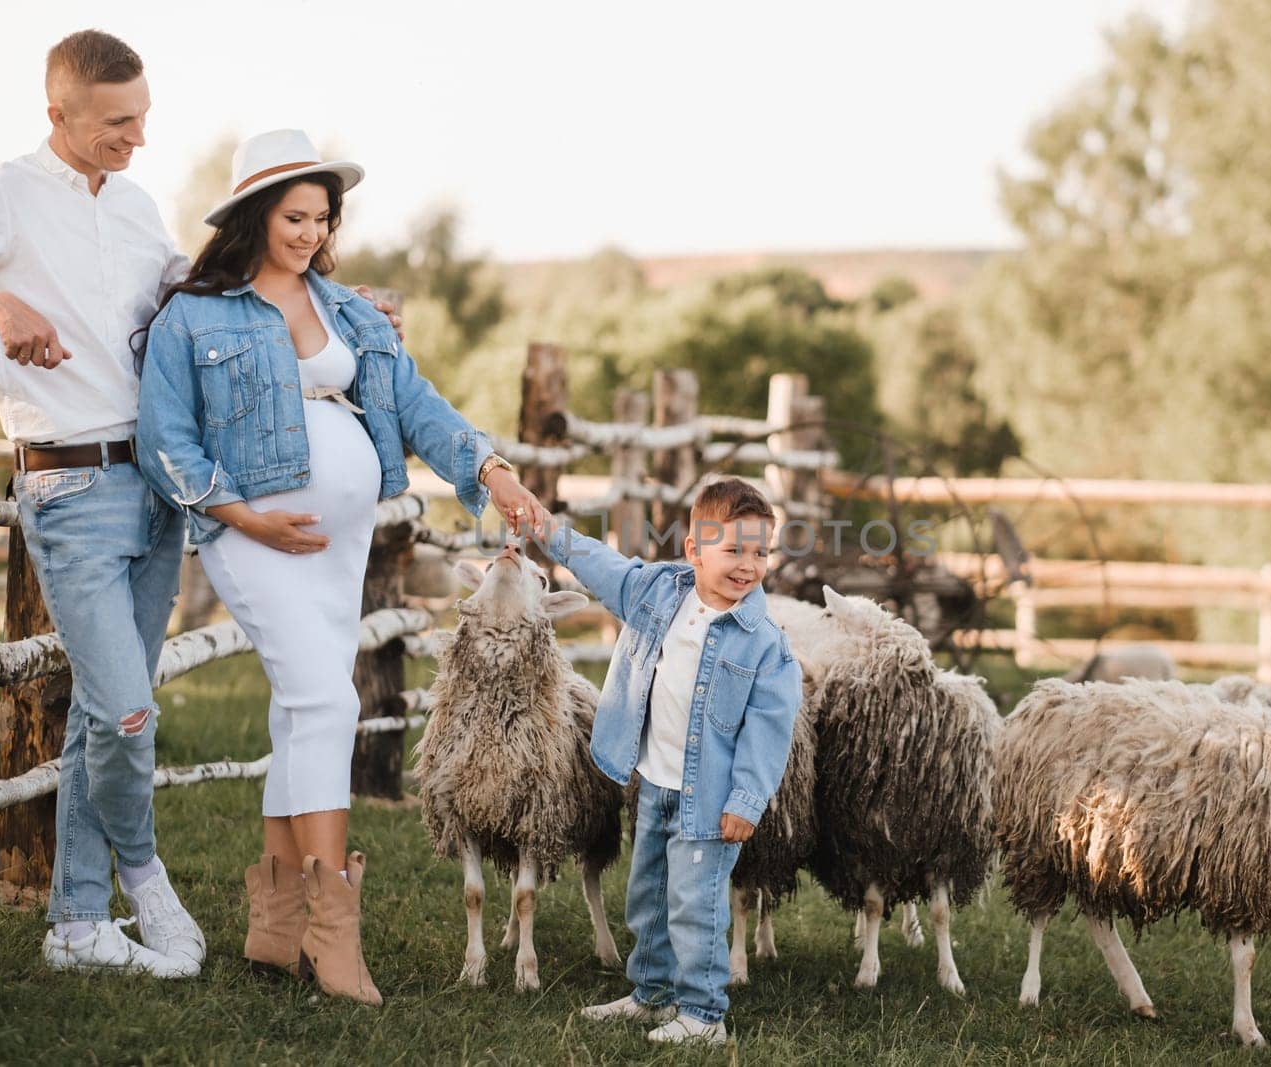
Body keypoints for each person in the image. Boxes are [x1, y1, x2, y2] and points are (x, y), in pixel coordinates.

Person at [134, 128, 549, 1006]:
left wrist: (490, 469)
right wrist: (240, 512)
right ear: (253, 213)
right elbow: (163, 436)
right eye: (294, 216)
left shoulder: (353, 310)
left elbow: (416, 404)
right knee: (329, 699)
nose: (310, 234)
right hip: (251, 534)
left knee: (302, 710)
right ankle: (334, 930)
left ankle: (276, 926)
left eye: (322, 219)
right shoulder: (194, 313)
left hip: (340, 539)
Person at [0, 30, 207, 978]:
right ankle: (143, 870)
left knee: (97, 713)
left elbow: (188, 299)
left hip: (155, 484)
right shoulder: (4, 194)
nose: (138, 138)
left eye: (144, 118)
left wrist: (320, 298)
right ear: (58, 116)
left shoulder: (141, 203)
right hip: (70, 485)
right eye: (119, 122)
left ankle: (76, 922)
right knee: (126, 711)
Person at [537, 478, 801, 1045]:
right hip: (655, 782)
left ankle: (705, 1014)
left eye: (760, 553)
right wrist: (548, 532)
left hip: (711, 797)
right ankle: (652, 994)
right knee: (649, 892)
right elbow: (600, 564)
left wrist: (746, 801)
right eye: (733, 550)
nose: (748, 566)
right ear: (694, 550)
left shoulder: (764, 644)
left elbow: (768, 731)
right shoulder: (658, 594)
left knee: (695, 905)